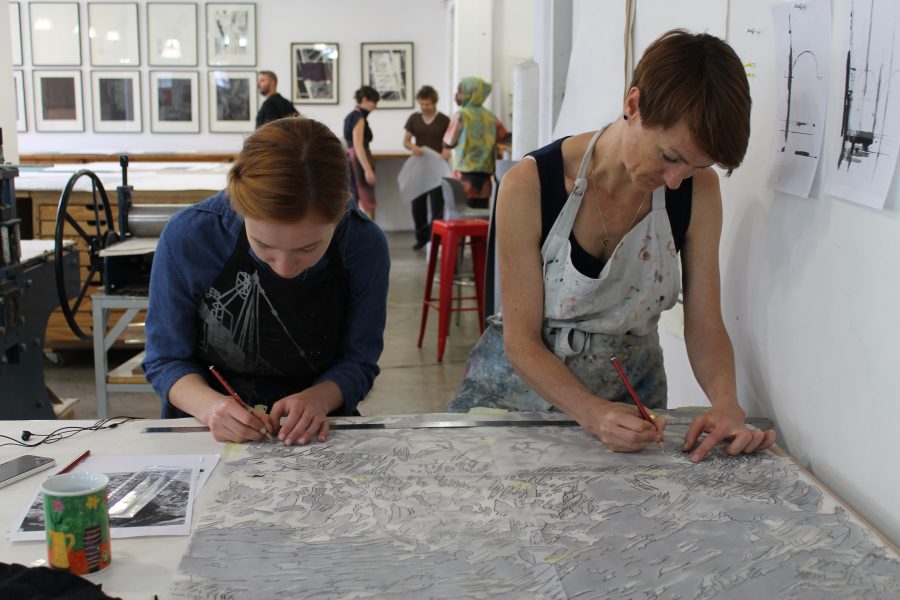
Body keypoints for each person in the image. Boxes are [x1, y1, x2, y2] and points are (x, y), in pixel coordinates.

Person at [448, 30, 777, 463]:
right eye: (670, 156)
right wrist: (591, 413)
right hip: (518, 394)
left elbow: (705, 324)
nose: (678, 179)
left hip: (631, 399)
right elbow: (521, 341)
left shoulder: (698, 190)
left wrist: (726, 402)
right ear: (633, 105)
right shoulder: (530, 185)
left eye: (698, 165)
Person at [143, 117, 390, 446]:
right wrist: (211, 406)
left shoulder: (362, 245)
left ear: (339, 214)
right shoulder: (191, 237)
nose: (285, 268)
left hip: (314, 438)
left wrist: (320, 398)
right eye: (265, 248)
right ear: (240, 208)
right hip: (204, 434)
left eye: (308, 248)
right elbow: (165, 359)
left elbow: (359, 361)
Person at [443, 77, 508, 209]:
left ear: (469, 93)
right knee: (481, 217)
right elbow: (503, 135)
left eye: (460, 92)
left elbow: (448, 142)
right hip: (484, 176)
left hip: (463, 175)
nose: (457, 95)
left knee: (463, 216)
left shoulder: (461, 116)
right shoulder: (491, 117)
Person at [403, 85, 451, 250]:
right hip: (419, 166)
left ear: (434, 103)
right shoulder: (414, 119)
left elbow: (449, 142)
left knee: (437, 204)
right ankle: (421, 237)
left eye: (427, 104)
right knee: (417, 204)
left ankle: (435, 238)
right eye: (422, 104)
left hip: (437, 168)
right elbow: (406, 141)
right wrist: (413, 147)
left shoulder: (444, 120)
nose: (424, 108)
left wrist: (447, 150)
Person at [344, 86, 380, 220]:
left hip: (354, 157)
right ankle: (369, 235)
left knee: (358, 197)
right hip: (358, 160)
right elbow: (358, 145)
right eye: (374, 102)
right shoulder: (358, 117)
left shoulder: (351, 116)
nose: (375, 106)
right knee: (366, 200)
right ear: (364, 100)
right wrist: (367, 170)